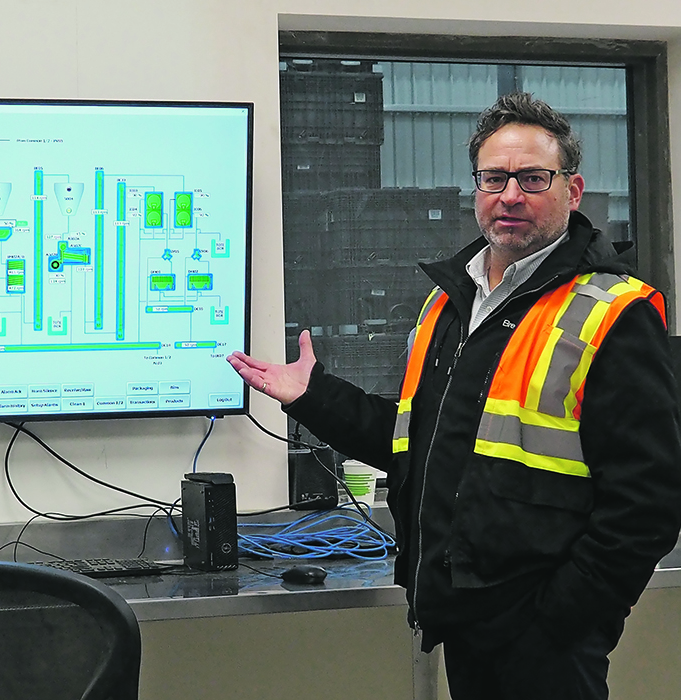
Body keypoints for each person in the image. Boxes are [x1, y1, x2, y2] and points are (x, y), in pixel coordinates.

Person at [227, 92, 681, 699]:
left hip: (545, 638)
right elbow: (417, 440)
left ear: (572, 192)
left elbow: (649, 503)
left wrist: (561, 620)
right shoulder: (450, 302)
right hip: (466, 620)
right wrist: (313, 396)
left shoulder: (612, 313)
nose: (510, 195)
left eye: (533, 178)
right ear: (476, 189)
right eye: (494, 178)